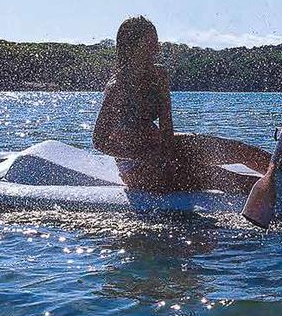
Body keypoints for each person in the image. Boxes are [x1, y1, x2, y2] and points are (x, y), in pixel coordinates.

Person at [93, 16, 271, 192]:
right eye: (149, 44)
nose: (156, 49)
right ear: (131, 49)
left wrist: (169, 154)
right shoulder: (117, 87)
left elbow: (166, 125)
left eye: (156, 43)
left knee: (238, 150)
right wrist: (147, 155)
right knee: (216, 176)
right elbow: (99, 141)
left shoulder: (159, 75)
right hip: (136, 167)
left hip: (163, 147)